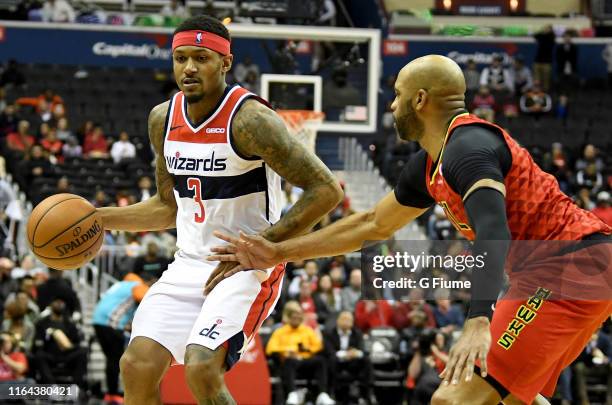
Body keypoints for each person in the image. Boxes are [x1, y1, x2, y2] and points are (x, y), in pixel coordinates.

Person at [208, 55, 612, 405]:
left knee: (452, 398)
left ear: (420, 100)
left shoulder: (467, 148)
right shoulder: (429, 164)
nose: (392, 103)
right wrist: (278, 252)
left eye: (398, 94)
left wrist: (478, 320)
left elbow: (493, 230)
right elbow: (372, 224)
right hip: (566, 269)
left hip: (571, 267)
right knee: (505, 397)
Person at [96, 15, 342, 405]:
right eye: (180, 58)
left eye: (201, 58)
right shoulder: (163, 119)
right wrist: (99, 219)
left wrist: (263, 245)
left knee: (200, 366)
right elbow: (166, 207)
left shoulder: (251, 120)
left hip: (246, 267)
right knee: (136, 364)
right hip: (188, 263)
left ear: (225, 63)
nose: (189, 68)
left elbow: (326, 190)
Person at [92, 273, 155, 405]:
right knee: (115, 360)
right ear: (149, 283)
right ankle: (113, 394)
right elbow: (146, 300)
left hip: (99, 320)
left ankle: (111, 392)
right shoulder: (139, 286)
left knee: (112, 359)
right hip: (110, 323)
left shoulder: (122, 284)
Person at [266, 301, 335, 405]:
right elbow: (270, 348)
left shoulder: (307, 330)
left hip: (306, 360)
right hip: (289, 362)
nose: (296, 320)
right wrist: (287, 351)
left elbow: (318, 346)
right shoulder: (280, 331)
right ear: (289, 318)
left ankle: (322, 394)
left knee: (321, 361)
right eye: (294, 318)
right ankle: (292, 394)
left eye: (299, 318)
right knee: (289, 362)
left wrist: (306, 349)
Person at [33, 297, 88, 388]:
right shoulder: (42, 323)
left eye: (61, 302)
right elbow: (38, 342)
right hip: (50, 354)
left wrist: (68, 344)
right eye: (57, 302)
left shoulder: (69, 323)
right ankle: (52, 387)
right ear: (51, 304)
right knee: (39, 355)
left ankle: (75, 388)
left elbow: (77, 341)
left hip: (67, 355)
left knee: (82, 352)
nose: (59, 304)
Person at [323, 311, 373, 403]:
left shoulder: (357, 333)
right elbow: (329, 352)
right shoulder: (329, 333)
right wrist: (345, 354)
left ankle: (367, 393)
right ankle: (331, 393)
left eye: (349, 320)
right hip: (337, 363)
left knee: (366, 360)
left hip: (352, 364)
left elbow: (363, 351)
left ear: (352, 322)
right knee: (330, 360)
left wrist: (356, 353)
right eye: (344, 319)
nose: (346, 322)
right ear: (338, 321)